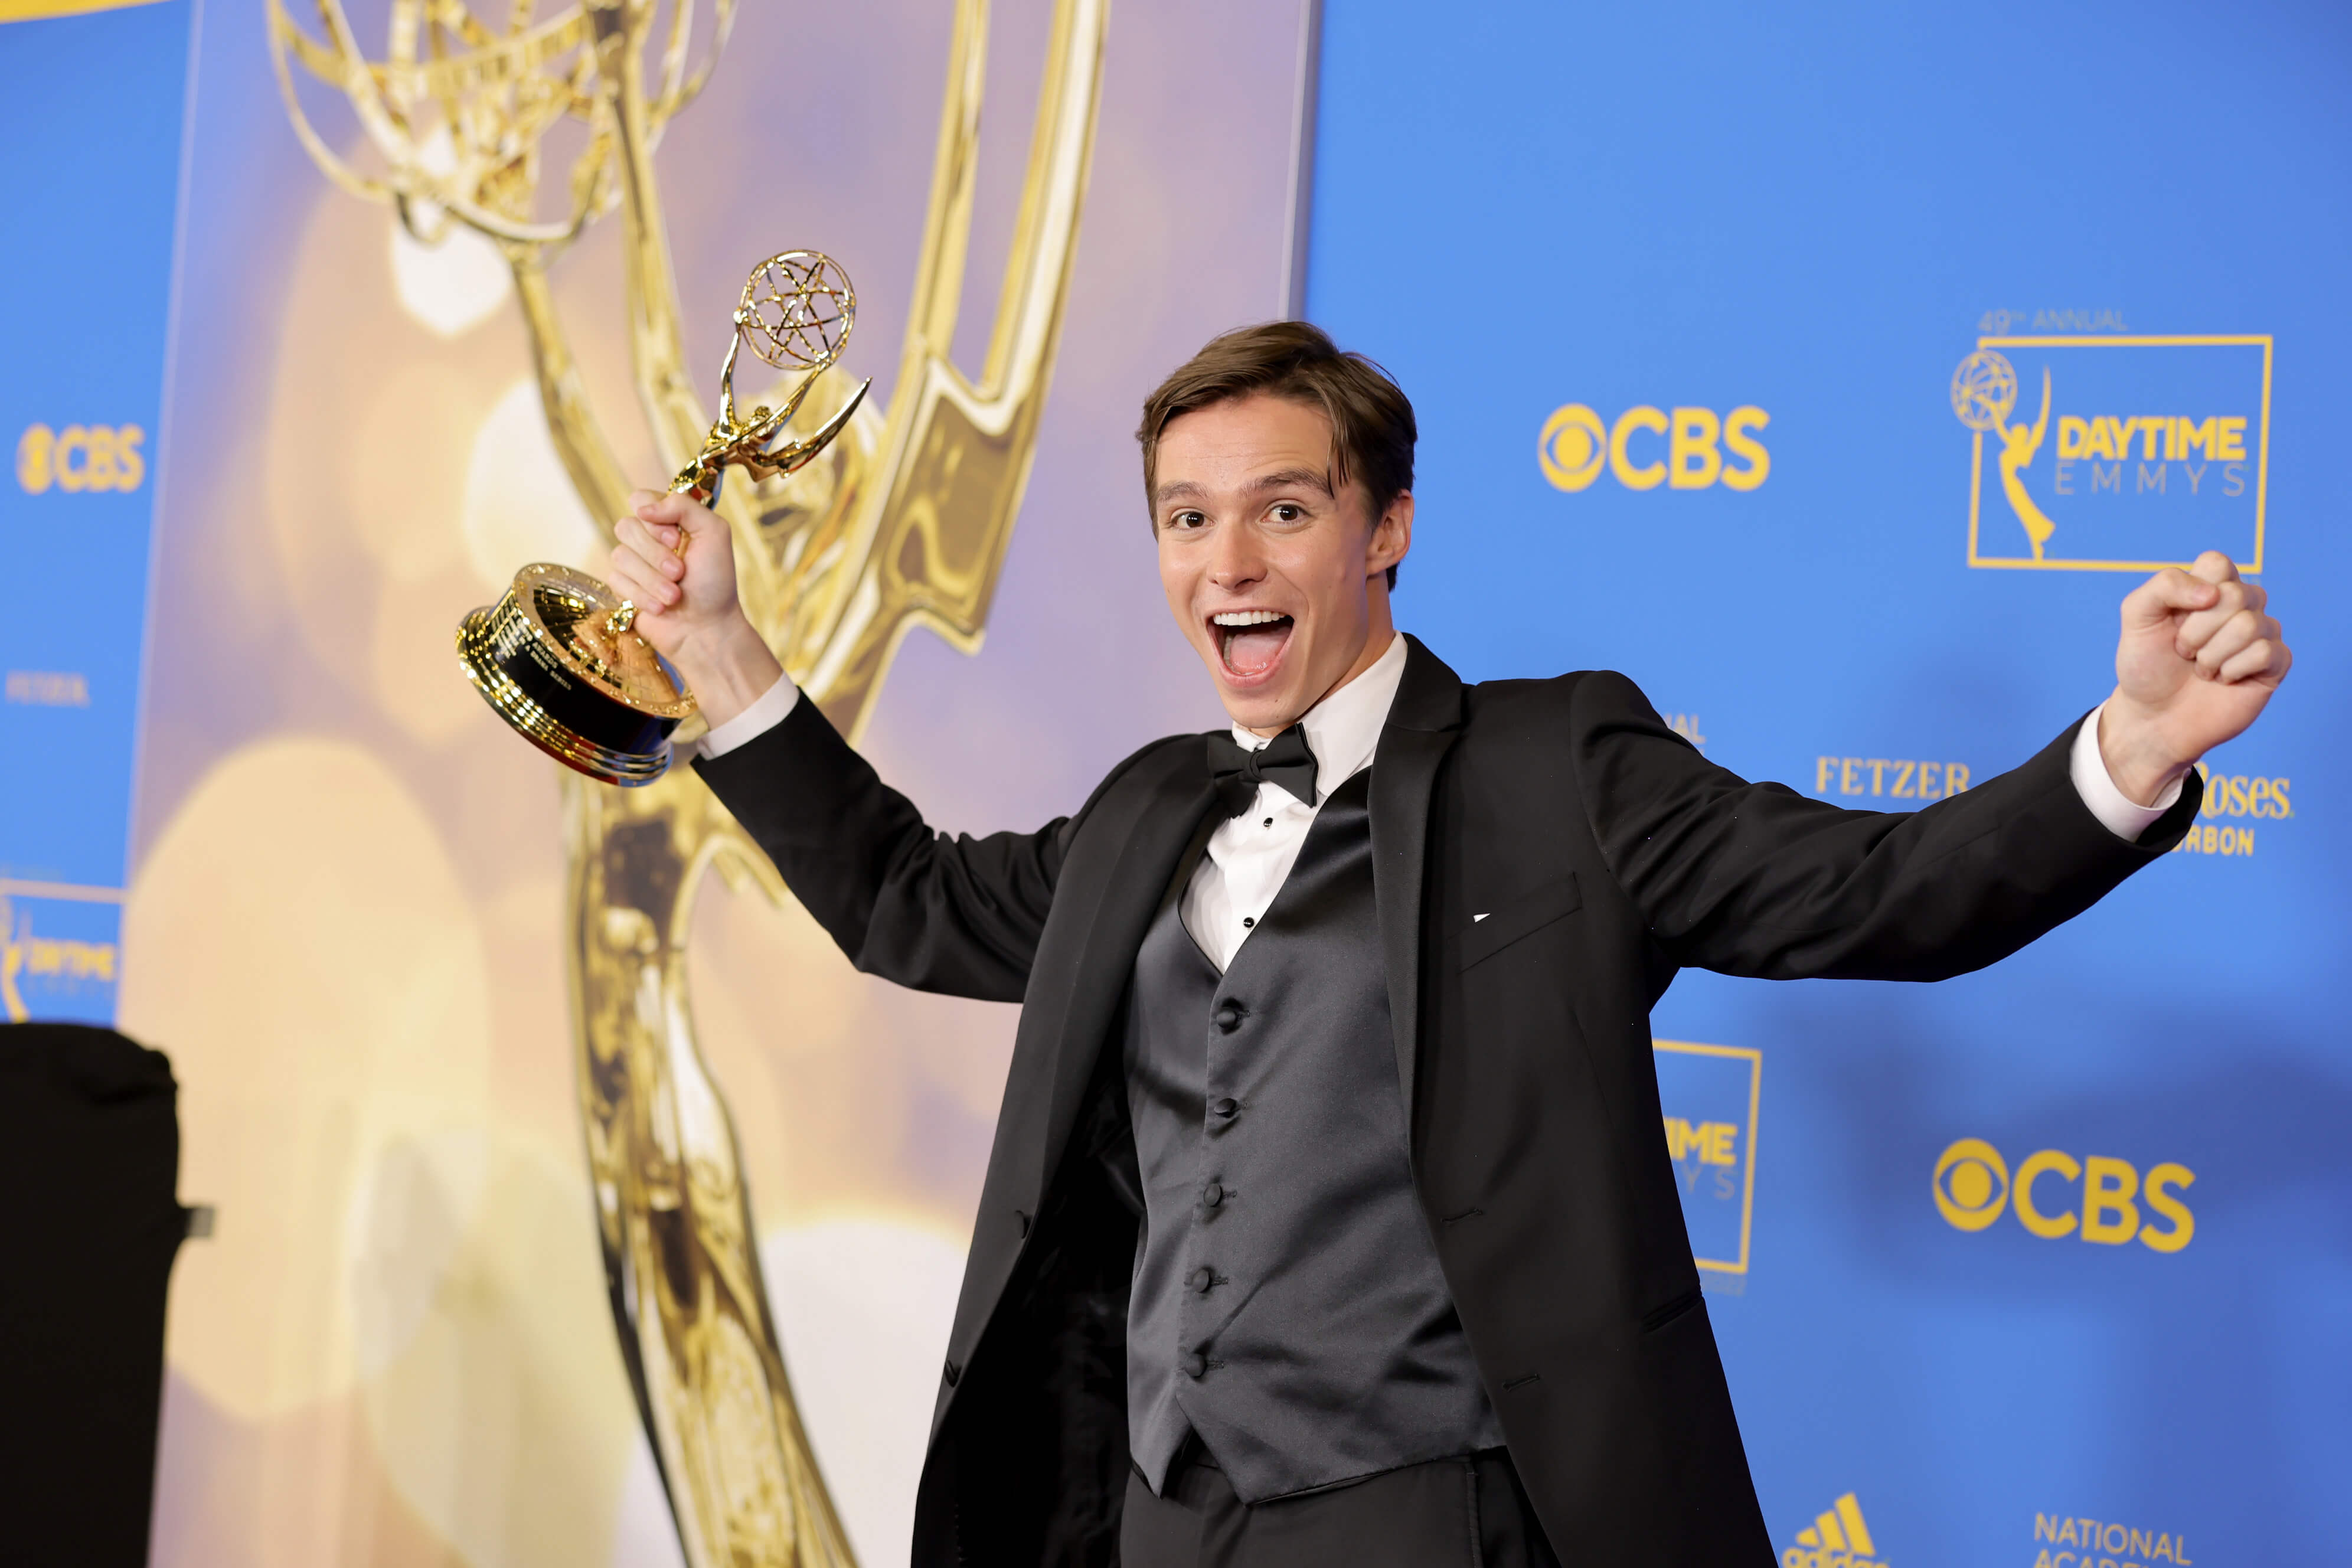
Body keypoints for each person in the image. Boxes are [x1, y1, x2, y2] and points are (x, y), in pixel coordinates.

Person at [604, 322, 2291, 1568]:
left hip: (1430, 1521)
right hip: (1153, 1521)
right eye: (1186, 521)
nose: (1226, 562)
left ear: (1385, 528)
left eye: (1279, 509)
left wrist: (2131, 748)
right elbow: (905, 899)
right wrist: (723, 647)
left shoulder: (1565, 773)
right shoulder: (1146, 811)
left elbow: (1883, 891)